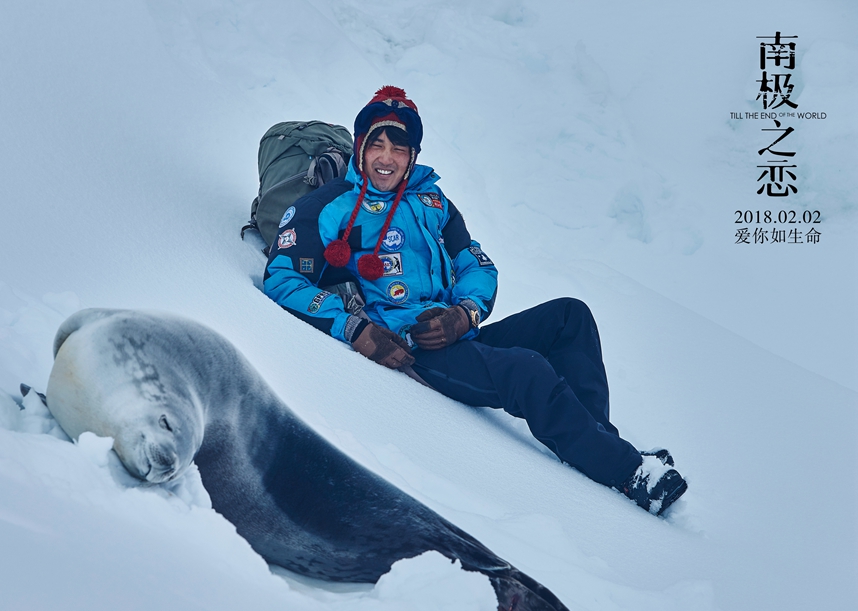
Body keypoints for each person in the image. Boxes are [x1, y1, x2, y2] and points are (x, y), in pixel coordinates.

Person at [263, 86, 687, 515]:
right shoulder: (328, 207)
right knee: (526, 370)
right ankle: (629, 473)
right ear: (360, 146)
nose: (386, 157)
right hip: (410, 351)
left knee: (570, 316)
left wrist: (466, 313)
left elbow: (477, 266)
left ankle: (601, 445)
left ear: (413, 155)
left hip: (453, 334)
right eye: (376, 144)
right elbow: (282, 279)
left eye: (399, 147)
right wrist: (356, 330)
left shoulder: (433, 202)